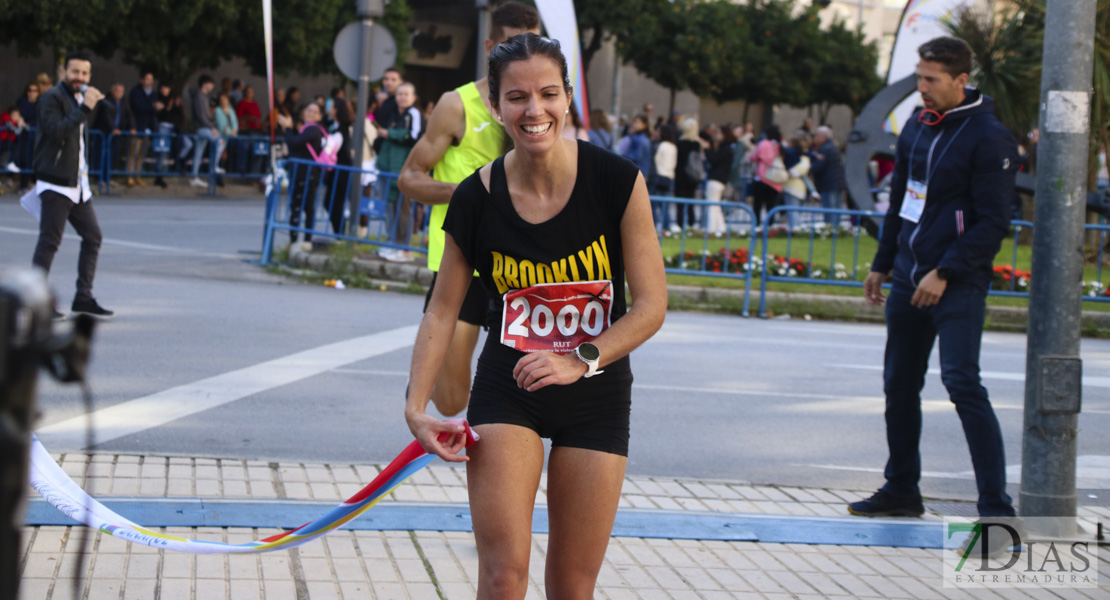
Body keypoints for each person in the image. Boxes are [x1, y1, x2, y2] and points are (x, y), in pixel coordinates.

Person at [405, 32, 667, 599]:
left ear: (568, 97)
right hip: (509, 387)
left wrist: (581, 359)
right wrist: (415, 407)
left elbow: (651, 306)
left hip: (594, 391)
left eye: (548, 94)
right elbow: (443, 308)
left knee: (572, 585)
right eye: (517, 98)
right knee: (503, 576)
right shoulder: (477, 196)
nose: (535, 110)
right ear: (495, 105)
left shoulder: (616, 181)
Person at [850, 38, 1020, 537]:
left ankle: (996, 506)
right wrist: (883, 264)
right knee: (899, 385)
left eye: (931, 80)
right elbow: (903, 200)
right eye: (919, 77)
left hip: (958, 284)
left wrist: (944, 271)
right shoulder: (916, 129)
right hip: (907, 276)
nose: (921, 88)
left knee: (964, 384)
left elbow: (993, 222)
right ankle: (902, 489)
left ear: (960, 80)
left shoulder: (990, 137)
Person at [397, 0, 540, 418]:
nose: (522, 57)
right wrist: (467, 192)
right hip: (464, 262)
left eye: (531, 45)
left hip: (521, 263)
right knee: (451, 400)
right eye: (512, 46)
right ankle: (433, 364)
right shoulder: (456, 105)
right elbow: (409, 178)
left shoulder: (539, 112)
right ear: (490, 46)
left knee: (522, 389)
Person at [30, 51, 114, 319]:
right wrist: (85, 109)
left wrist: (96, 105)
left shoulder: (81, 99)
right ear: (64, 72)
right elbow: (56, 131)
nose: (80, 78)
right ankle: (36, 302)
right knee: (49, 242)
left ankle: (83, 296)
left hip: (78, 184)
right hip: (55, 182)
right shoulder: (51, 98)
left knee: (93, 237)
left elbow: (96, 130)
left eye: (85, 73)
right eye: (75, 72)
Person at [376, 82, 423, 261]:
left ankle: (404, 249)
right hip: (388, 167)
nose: (402, 97)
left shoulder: (414, 114)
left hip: (404, 169)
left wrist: (389, 134)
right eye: (399, 94)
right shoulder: (395, 114)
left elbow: (413, 137)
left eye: (406, 94)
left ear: (413, 97)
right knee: (391, 207)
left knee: (404, 209)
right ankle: (393, 243)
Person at [275, 102, 325, 251]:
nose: (310, 113)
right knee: (300, 207)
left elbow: (294, 143)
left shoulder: (313, 130)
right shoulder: (308, 129)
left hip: (306, 174)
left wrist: (288, 128)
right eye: (308, 109)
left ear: (319, 116)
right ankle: (296, 241)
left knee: (304, 207)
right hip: (303, 173)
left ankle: (303, 241)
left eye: (314, 111)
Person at [189, 75, 225, 187]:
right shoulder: (200, 96)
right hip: (202, 128)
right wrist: (211, 127)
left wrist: (210, 122)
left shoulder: (202, 96)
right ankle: (214, 166)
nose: (212, 86)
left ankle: (194, 176)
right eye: (211, 84)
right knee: (220, 141)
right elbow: (201, 116)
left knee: (198, 153)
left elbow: (204, 116)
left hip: (202, 127)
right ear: (205, 84)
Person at [126, 72, 160, 187]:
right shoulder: (136, 92)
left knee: (141, 155)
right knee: (133, 153)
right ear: (142, 80)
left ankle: (137, 176)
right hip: (136, 127)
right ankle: (129, 176)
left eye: (151, 79)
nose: (150, 82)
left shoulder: (153, 93)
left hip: (147, 128)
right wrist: (152, 106)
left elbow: (154, 111)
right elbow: (138, 107)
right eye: (148, 79)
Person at [809, 125, 845, 225]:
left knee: (830, 210)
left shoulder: (825, 149)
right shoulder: (834, 147)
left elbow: (818, 167)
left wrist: (809, 167)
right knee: (837, 210)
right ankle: (837, 232)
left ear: (823, 136)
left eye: (816, 135)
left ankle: (830, 231)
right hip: (838, 183)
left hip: (828, 184)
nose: (815, 138)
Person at [749, 124, 783, 228]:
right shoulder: (779, 145)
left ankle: (756, 224)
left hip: (762, 177)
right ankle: (770, 226)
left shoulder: (764, 144)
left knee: (758, 204)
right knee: (771, 205)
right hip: (775, 179)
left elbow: (755, 157)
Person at [673, 117, 703, 231]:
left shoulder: (679, 143)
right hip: (692, 176)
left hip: (680, 175)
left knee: (680, 203)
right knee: (691, 201)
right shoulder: (696, 144)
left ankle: (680, 224)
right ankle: (691, 223)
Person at [781, 130, 812, 230]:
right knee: (794, 210)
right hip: (798, 187)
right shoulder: (803, 156)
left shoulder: (802, 157)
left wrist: (785, 172)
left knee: (792, 210)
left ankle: (795, 229)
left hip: (793, 187)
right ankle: (796, 228)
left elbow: (795, 171)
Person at [650, 124, 677, 231]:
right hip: (669, 176)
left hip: (659, 176)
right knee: (665, 205)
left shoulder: (661, 146)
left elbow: (656, 160)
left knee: (654, 204)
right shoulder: (673, 146)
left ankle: (654, 227)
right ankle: (666, 227)